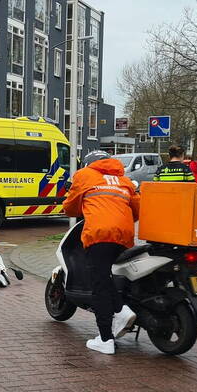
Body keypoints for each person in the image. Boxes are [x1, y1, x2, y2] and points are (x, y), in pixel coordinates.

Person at [63, 150, 141, 355]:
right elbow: (137, 209)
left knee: (98, 285)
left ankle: (106, 338)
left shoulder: (84, 176)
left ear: (88, 163)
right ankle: (121, 309)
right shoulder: (124, 179)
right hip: (123, 234)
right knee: (105, 275)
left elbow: (70, 209)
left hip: (99, 233)